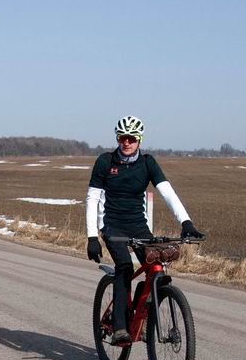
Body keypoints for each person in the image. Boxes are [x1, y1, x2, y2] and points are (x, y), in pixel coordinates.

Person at [85, 115, 205, 345]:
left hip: (138, 226)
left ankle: (142, 311)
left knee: (157, 266)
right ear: (117, 139)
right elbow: (92, 199)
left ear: (139, 140)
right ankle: (120, 326)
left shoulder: (147, 163)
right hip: (112, 224)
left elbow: (167, 192)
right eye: (122, 138)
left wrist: (186, 223)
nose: (126, 143)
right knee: (125, 266)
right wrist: (92, 236)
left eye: (131, 138)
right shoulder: (105, 162)